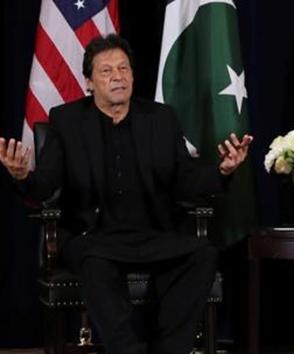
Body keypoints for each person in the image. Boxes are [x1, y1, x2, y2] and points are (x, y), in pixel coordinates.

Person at [0, 34, 252, 354]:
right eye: (106, 71)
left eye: (124, 68)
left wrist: (222, 171)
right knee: (94, 263)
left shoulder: (161, 118)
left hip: (151, 234)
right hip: (93, 237)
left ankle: (170, 349)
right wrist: (23, 176)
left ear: (133, 75)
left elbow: (184, 180)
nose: (118, 76)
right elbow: (46, 184)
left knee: (203, 253)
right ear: (89, 82)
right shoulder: (67, 120)